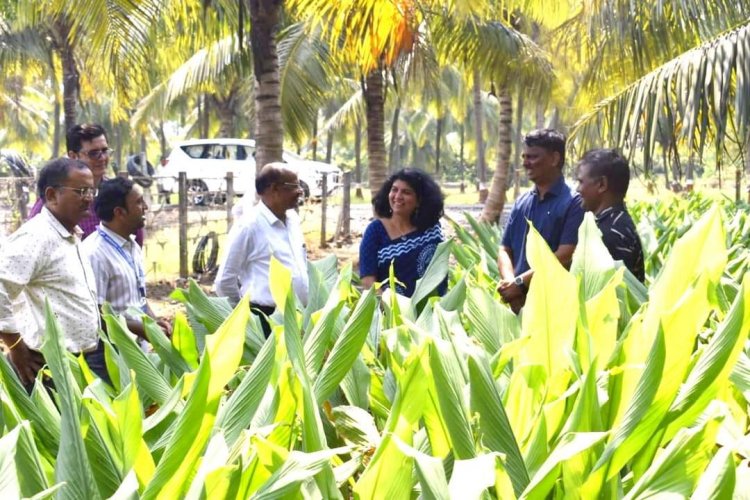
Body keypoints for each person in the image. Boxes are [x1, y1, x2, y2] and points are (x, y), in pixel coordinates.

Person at [0, 158, 106, 386]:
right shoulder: (37, 237)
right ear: (51, 195)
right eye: (81, 191)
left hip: (74, 364)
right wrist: (15, 346)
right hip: (44, 367)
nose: (89, 198)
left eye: (91, 191)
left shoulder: (70, 235)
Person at [214, 163, 308, 336]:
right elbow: (224, 281)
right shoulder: (249, 226)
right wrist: (246, 316)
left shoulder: (293, 220)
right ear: (274, 189)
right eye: (295, 186)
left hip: (297, 317)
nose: (300, 191)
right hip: (265, 318)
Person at [497, 129, 584, 313]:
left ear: (554, 159)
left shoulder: (574, 202)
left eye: (533, 157)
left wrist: (520, 283)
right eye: (524, 156)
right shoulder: (522, 201)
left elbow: (565, 254)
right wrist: (510, 282)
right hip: (519, 303)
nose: (526, 163)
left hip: (554, 307)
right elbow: (505, 248)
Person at [81, 178, 172, 344]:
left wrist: (152, 321)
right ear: (119, 212)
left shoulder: (131, 245)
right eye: (138, 202)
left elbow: (136, 298)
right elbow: (95, 316)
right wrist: (140, 328)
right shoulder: (95, 254)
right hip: (112, 354)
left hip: (136, 347)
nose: (145, 207)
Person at [29, 124, 144, 246]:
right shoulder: (56, 199)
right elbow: (33, 241)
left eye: (105, 151)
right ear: (73, 156)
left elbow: (136, 235)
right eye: (94, 153)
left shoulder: (118, 194)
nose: (102, 158)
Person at [359, 168, 446, 297]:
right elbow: (368, 280)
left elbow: (440, 269)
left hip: (430, 310)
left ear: (419, 200)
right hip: (390, 312)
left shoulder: (431, 229)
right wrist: (389, 310)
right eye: (394, 190)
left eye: (406, 192)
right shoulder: (375, 231)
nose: (398, 196)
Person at [575, 148, 645, 282]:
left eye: (581, 182)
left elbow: (615, 293)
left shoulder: (610, 232)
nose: (577, 189)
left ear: (602, 184)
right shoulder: (614, 222)